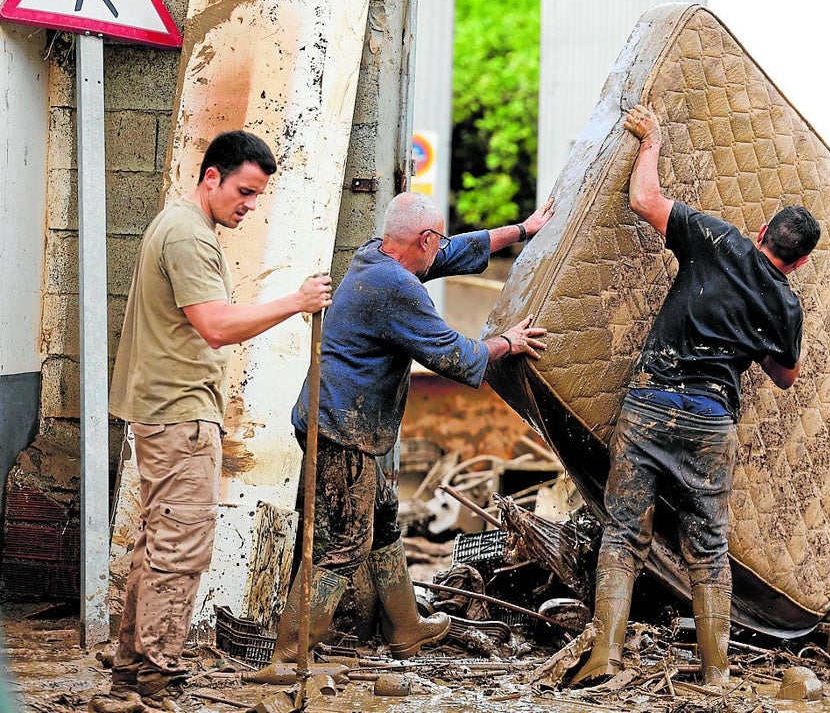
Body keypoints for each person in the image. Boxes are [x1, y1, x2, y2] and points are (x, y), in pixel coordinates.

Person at [574, 104, 821, 686]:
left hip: (652, 405)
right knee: (708, 547)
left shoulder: (717, 239)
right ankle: (715, 672)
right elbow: (787, 377)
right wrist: (755, 336)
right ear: (800, 261)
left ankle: (606, 655)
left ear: (763, 231)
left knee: (623, 531)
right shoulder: (786, 305)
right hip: (711, 423)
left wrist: (652, 140)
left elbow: (644, 200)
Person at [271, 190, 555, 663]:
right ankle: (286, 658)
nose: (439, 250)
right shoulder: (396, 288)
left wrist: (522, 230)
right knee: (340, 548)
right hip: (342, 434)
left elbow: (454, 249)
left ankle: (405, 627)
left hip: (347, 426)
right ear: (422, 238)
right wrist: (508, 342)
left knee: (381, 524)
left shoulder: (375, 254)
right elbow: (454, 355)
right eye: (435, 241)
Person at [102, 131, 333, 711]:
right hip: (179, 414)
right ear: (212, 177)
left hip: (168, 409)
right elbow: (217, 325)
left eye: (256, 196)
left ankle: (131, 679)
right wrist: (296, 302)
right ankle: (154, 684)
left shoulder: (183, 225)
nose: (250, 205)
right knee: (179, 551)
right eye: (245, 192)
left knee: (158, 545)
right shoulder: (186, 235)